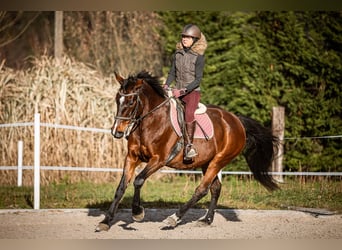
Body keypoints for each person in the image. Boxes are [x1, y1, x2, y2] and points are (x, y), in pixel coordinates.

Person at [164, 24, 207, 163]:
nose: (184, 39)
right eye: (183, 36)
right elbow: (172, 72)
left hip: (192, 93)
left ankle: (189, 147)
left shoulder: (199, 57)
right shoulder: (177, 54)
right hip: (176, 90)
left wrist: (183, 90)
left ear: (195, 39)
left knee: (189, 114)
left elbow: (198, 79)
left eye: (188, 37)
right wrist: (166, 84)